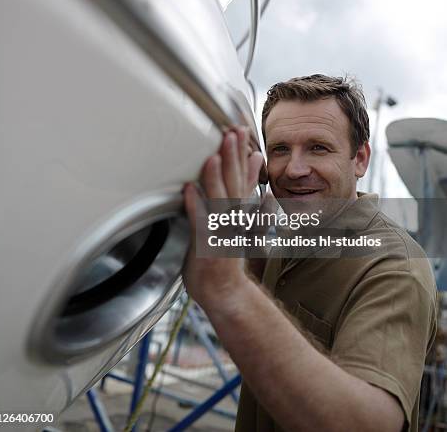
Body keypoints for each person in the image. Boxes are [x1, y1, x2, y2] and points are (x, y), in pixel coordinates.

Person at [182, 74, 437, 432]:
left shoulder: (396, 268)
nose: (295, 169)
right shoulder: (290, 238)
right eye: (280, 149)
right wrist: (250, 268)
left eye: (318, 148)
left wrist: (229, 288)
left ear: (360, 159)